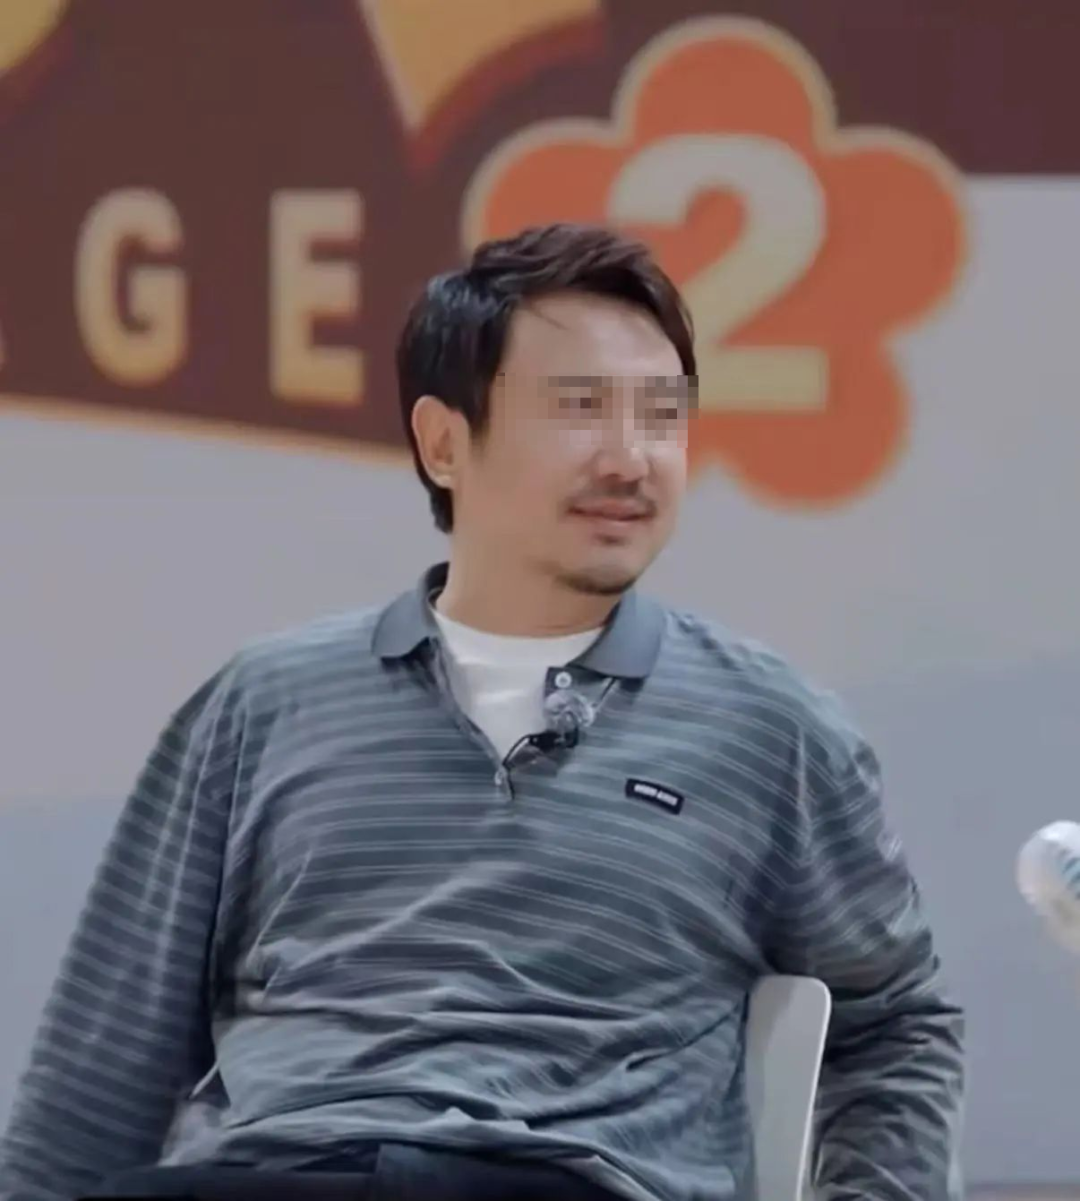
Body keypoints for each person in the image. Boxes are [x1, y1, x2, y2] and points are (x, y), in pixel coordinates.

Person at [0, 222, 964, 1201]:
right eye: (579, 409)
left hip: (563, 1180)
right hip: (279, 1171)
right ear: (444, 442)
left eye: (662, 416)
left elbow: (895, 1023)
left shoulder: (769, 728)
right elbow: (99, 1068)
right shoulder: (261, 704)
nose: (631, 460)